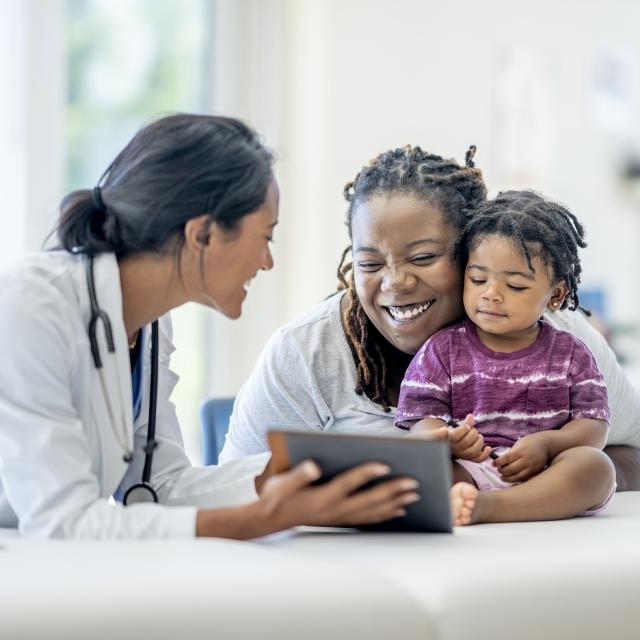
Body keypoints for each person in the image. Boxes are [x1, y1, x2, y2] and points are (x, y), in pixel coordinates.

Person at [0, 114, 422, 539]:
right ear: (203, 234)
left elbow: (158, 486)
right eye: (266, 237)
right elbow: (62, 523)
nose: (266, 262)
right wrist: (261, 519)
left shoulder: (148, 326)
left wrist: (298, 469)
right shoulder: (29, 305)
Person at [220, 145, 640, 491]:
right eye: (369, 264)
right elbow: (237, 489)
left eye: (423, 257)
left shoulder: (558, 337)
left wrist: (541, 479)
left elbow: (631, 456)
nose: (396, 282)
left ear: (474, 251)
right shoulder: (304, 352)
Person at [395, 190, 615, 524]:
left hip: (547, 473)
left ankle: (492, 508)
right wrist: (449, 441)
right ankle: (468, 501)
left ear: (555, 294)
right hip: (469, 470)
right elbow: (421, 424)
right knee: (419, 468)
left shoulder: (571, 354)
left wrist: (548, 444)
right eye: (478, 278)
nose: (491, 294)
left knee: (596, 467)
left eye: (515, 286)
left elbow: (594, 428)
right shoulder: (441, 351)